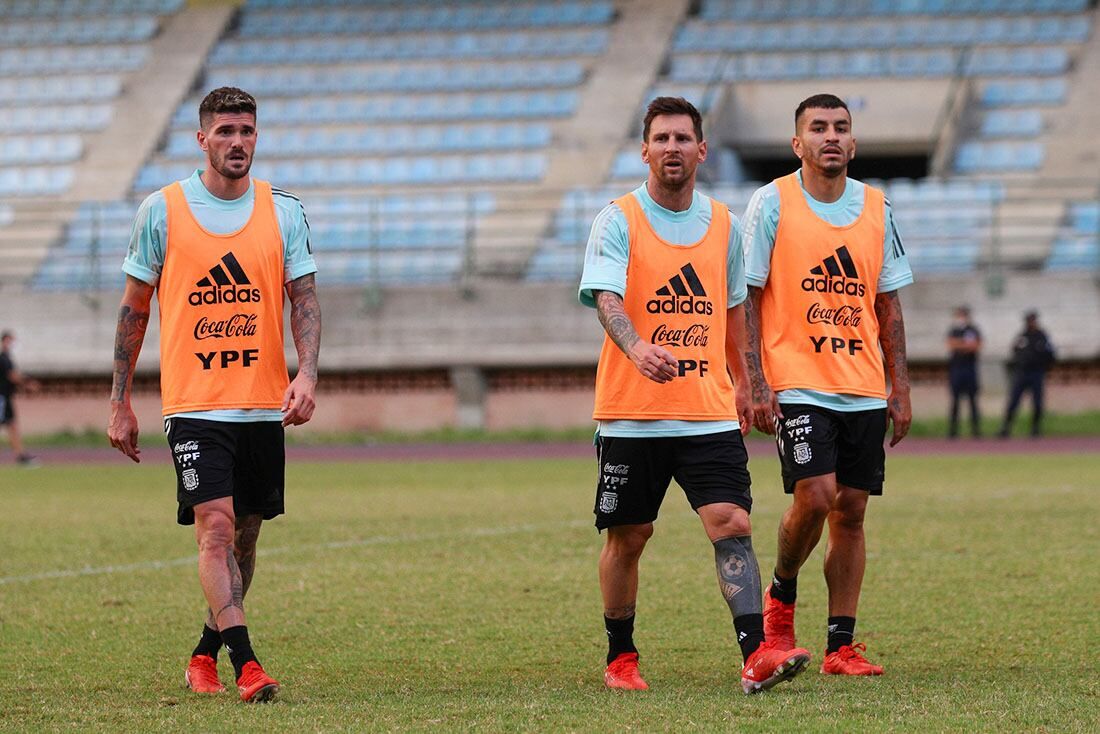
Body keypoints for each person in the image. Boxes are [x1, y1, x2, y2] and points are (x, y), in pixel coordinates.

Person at [579, 96, 810, 695]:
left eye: (683, 139)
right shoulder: (617, 219)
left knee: (731, 522)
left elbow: (736, 313)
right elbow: (606, 299)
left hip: (708, 411)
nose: (672, 148)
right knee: (629, 536)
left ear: (702, 150)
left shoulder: (726, 225)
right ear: (645, 150)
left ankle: (756, 653)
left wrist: (754, 384)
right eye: (661, 139)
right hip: (632, 414)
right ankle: (620, 656)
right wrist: (637, 348)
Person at [107, 87, 320, 703]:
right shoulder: (161, 210)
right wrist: (119, 399)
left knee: (246, 537)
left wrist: (305, 374)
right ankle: (249, 665)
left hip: (261, 404)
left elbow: (304, 298)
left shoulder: (283, 211)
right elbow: (133, 309)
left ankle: (205, 652)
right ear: (201, 139)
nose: (237, 142)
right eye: (225, 131)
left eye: (247, 131)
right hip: (194, 406)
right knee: (217, 530)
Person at [742, 93, 913, 676]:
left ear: (854, 142)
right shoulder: (771, 202)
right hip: (796, 382)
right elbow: (748, 296)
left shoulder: (877, 206)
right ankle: (780, 602)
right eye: (818, 128)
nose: (831, 136)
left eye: (841, 127)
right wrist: (756, 381)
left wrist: (901, 385)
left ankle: (841, 646)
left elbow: (887, 303)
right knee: (815, 496)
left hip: (863, 385)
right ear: (799, 144)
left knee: (853, 511)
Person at [999, 310, 1055, 438]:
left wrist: (1043, 366)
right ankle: (1006, 428)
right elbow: (1014, 352)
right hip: (1022, 373)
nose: (1031, 323)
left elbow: (1051, 354)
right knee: (1013, 401)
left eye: (1032, 320)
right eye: (1029, 321)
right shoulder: (1021, 336)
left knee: (1037, 403)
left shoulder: (1042, 336)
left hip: (1036, 373)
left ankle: (1035, 429)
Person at [0, 330, 39, 466]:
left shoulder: (7, 358)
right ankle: (20, 455)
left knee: (12, 425)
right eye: (10, 341)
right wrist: (28, 383)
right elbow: (12, 376)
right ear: (4, 341)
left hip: (6, 397)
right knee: (11, 425)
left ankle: (20, 455)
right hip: (2, 398)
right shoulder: (3, 358)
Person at [946, 306, 982, 438]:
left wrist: (961, 345)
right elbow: (951, 344)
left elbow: (976, 346)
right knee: (955, 401)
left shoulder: (973, 330)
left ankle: (975, 430)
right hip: (956, 369)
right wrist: (965, 344)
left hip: (970, 369)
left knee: (973, 401)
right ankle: (953, 430)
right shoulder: (953, 330)